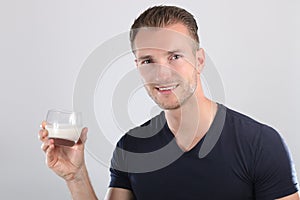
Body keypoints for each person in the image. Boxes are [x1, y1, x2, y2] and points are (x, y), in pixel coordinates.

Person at [39, 5, 299, 200]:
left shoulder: (260, 144)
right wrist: (76, 176)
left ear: (199, 61)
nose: (162, 74)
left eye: (174, 56)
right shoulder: (131, 147)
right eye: (148, 61)